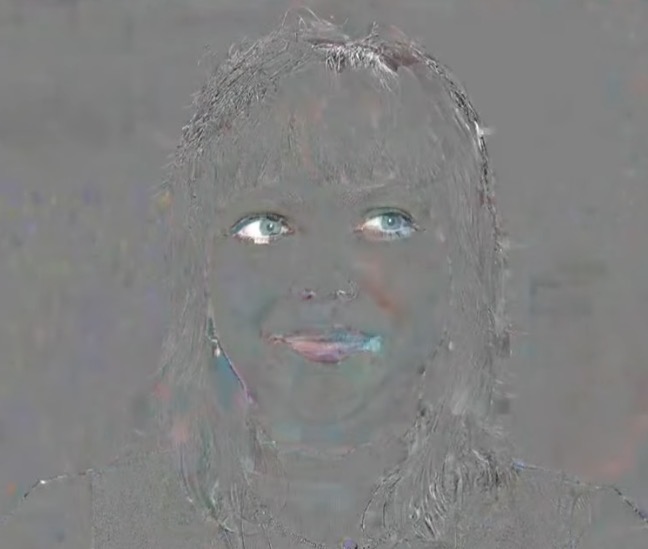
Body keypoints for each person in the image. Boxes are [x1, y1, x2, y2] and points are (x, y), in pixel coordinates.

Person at [2, 10, 646, 549]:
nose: (325, 278)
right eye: (267, 226)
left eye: (384, 222)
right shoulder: (70, 532)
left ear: (462, 271)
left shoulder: (587, 537)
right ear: (200, 272)